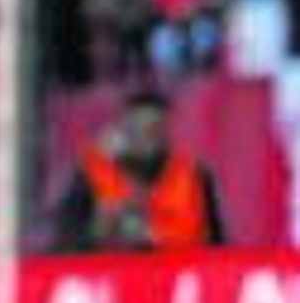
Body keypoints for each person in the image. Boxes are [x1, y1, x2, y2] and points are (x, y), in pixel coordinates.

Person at [52, 84, 227, 252]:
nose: (147, 139)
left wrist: (150, 234)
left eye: (155, 129)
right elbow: (64, 244)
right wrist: (96, 232)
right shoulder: (91, 179)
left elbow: (213, 243)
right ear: (122, 131)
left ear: (168, 132)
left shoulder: (194, 176)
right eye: (137, 130)